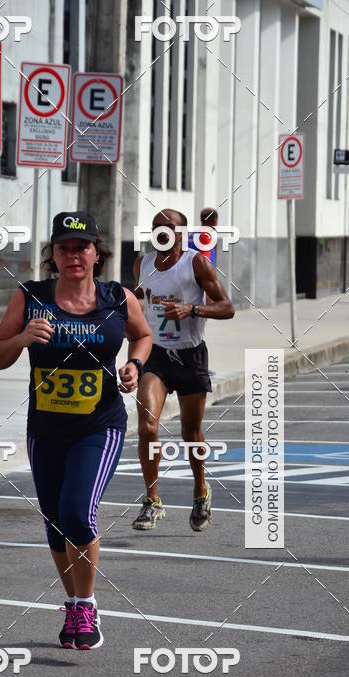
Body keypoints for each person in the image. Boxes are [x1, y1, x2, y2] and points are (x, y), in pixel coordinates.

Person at [0, 212, 152, 650]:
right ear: (53, 255)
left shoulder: (118, 298)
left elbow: (143, 336)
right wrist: (22, 339)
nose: (73, 255)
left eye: (82, 247)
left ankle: (85, 605)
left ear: (98, 253)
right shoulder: (31, 298)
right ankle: (74, 603)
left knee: (78, 513)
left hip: (99, 426)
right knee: (56, 524)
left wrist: (134, 365)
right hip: (46, 427)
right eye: (64, 248)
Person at [131, 208, 235, 533]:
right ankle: (152, 501)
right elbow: (138, 301)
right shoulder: (142, 264)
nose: (161, 232)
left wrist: (192, 309)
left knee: (191, 435)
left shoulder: (196, 262)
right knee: (147, 426)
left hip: (191, 356)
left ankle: (201, 491)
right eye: (156, 227)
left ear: (181, 232)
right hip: (157, 356)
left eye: (168, 227)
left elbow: (227, 307)